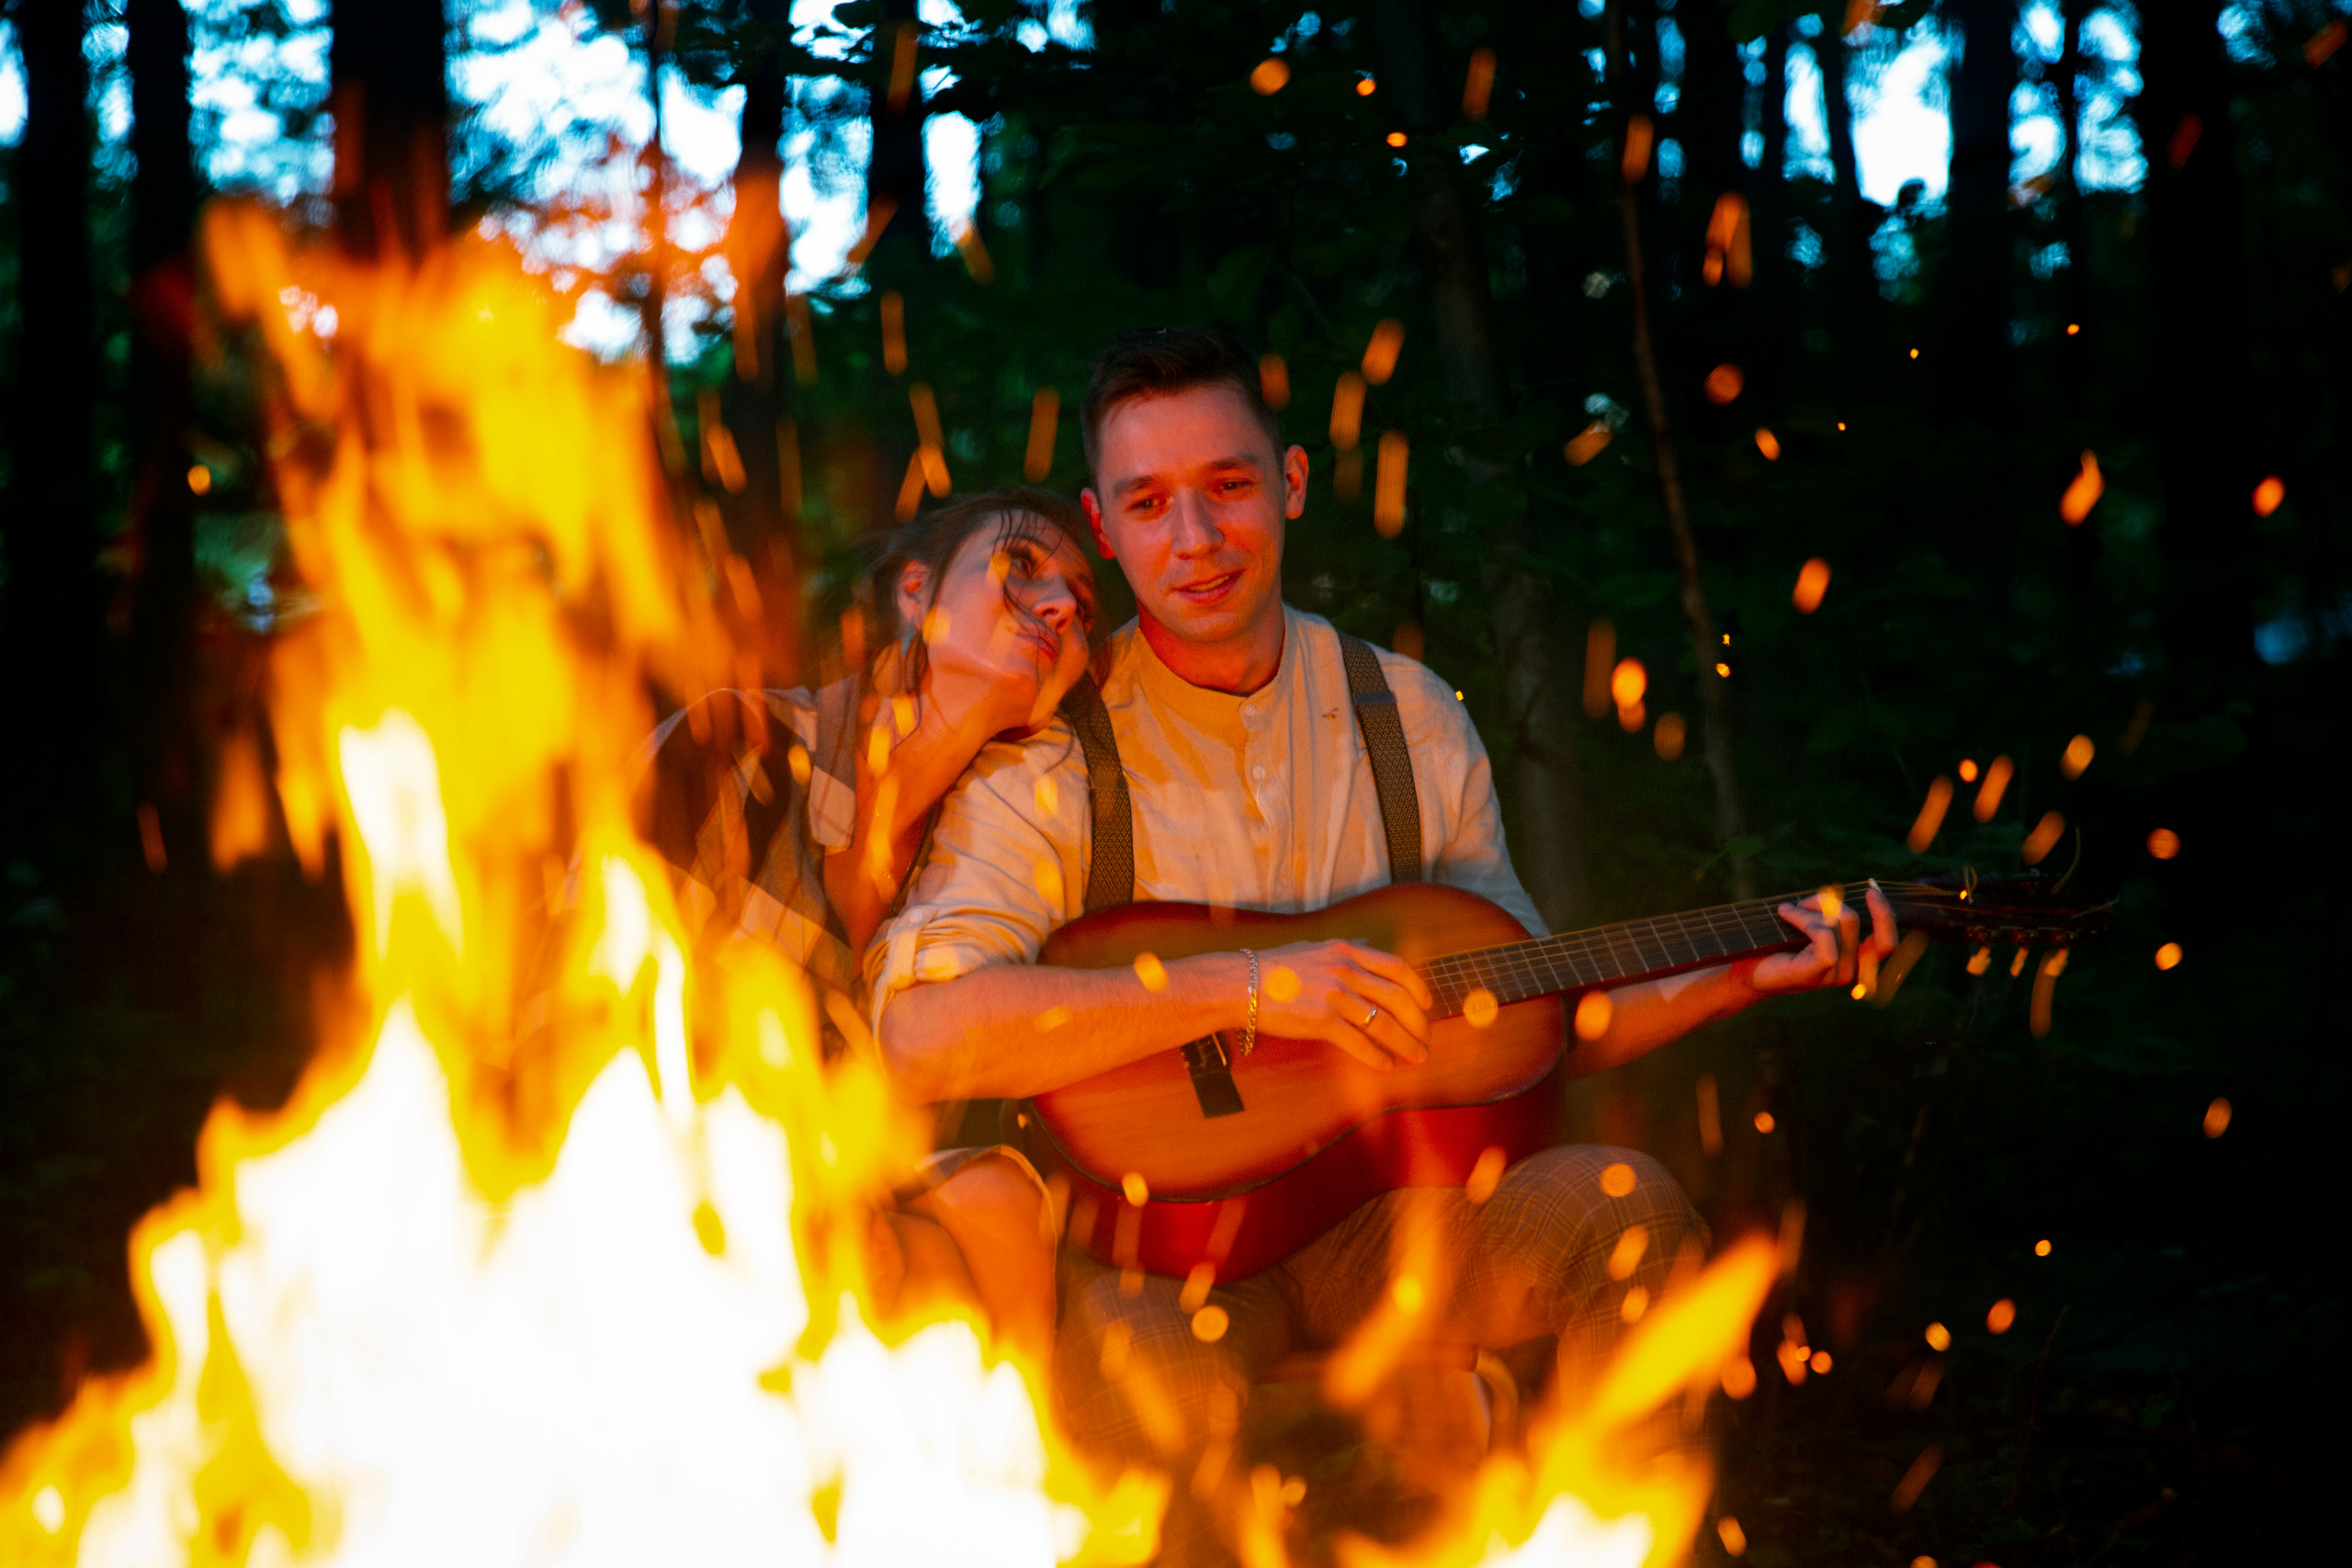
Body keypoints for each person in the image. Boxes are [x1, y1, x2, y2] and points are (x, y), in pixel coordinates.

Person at [864, 329, 1895, 1558]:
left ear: (1292, 482)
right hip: (1154, 1254)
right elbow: (919, 1033)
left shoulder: (1409, 719)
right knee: (1153, 1412)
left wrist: (1737, 976)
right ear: (1103, 526)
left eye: (1228, 485)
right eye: (1147, 503)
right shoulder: (1047, 754)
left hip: (1395, 1219)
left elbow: (1530, 1022)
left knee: (1625, 1211)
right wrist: (1248, 987)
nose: (1195, 538)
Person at [638, 485, 1101, 1364]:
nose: (1058, 607)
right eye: (1022, 565)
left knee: (997, 1202)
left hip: (844, 1196)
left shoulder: (997, 863)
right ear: (916, 593)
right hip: (647, 1168)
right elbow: (585, 1014)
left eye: (1080, 607)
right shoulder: (739, 748)